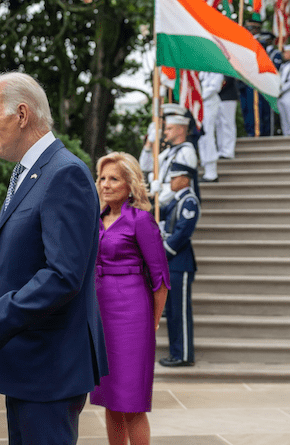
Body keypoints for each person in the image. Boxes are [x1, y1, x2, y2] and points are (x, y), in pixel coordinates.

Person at [0, 72, 108, 445]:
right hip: (33, 364)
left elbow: (62, 277)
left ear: (23, 114)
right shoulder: (30, 172)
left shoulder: (65, 174)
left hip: (49, 366)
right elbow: (22, 267)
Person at [90, 152, 170, 445]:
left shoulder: (141, 221)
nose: (105, 184)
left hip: (133, 317)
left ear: (130, 183)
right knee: (110, 398)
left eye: (113, 178)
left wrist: (153, 323)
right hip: (101, 316)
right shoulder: (96, 220)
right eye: (102, 178)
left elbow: (161, 278)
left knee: (132, 401)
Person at [158, 162, 200, 368]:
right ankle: (176, 352)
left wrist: (164, 251)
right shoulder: (177, 200)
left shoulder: (189, 201)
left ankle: (183, 354)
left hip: (180, 262)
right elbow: (160, 212)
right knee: (173, 312)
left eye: (174, 178)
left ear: (185, 179)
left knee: (180, 312)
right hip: (173, 263)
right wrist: (151, 197)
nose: (171, 181)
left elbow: (183, 231)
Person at [145, 113, 200, 207]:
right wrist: (149, 144)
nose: (165, 132)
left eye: (169, 128)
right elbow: (146, 166)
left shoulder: (186, 152)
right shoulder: (168, 152)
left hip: (177, 205)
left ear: (181, 130)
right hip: (164, 205)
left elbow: (180, 184)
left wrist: (158, 199)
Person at [198, 71, 224, 182]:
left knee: (208, 135)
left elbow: (215, 87)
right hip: (201, 104)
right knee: (202, 137)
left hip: (210, 102)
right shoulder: (203, 72)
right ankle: (206, 168)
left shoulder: (217, 72)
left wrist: (200, 96)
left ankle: (211, 172)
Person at [216, 76, 239, 159]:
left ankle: (228, 150)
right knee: (219, 125)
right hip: (217, 97)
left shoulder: (229, 63)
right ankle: (221, 149)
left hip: (228, 96)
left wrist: (217, 85)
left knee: (228, 123)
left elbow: (228, 78)